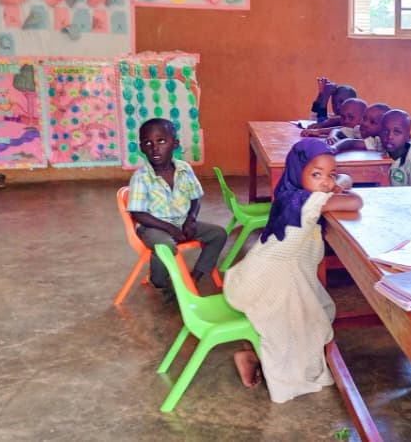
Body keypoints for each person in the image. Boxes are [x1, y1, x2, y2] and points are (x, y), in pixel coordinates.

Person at [223, 138, 363, 403]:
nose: (325, 182)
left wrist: (335, 180)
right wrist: (337, 185)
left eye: (329, 175)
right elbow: (354, 202)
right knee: (302, 327)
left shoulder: (289, 193)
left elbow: (340, 179)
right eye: (316, 174)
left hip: (264, 273)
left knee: (315, 315)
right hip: (265, 283)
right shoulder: (308, 202)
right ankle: (258, 358)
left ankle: (252, 353)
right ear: (298, 171)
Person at [126, 118, 226, 301]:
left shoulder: (184, 169)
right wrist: (170, 228)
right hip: (153, 228)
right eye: (148, 143)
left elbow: (196, 196)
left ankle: (193, 277)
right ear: (142, 148)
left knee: (218, 234)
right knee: (165, 245)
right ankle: (160, 281)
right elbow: (138, 213)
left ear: (175, 144)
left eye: (161, 141)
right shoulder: (141, 178)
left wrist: (191, 219)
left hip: (182, 222)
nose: (154, 148)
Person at [334, 105, 411, 177]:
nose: (390, 136)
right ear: (381, 130)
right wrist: (334, 148)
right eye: (386, 131)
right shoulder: (379, 142)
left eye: (396, 132)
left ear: (408, 137)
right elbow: (352, 142)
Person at [301, 98, 367, 139]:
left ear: (364, 118)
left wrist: (319, 131)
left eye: (351, 117)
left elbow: (342, 129)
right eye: (343, 117)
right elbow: (337, 121)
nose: (346, 121)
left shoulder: (359, 129)